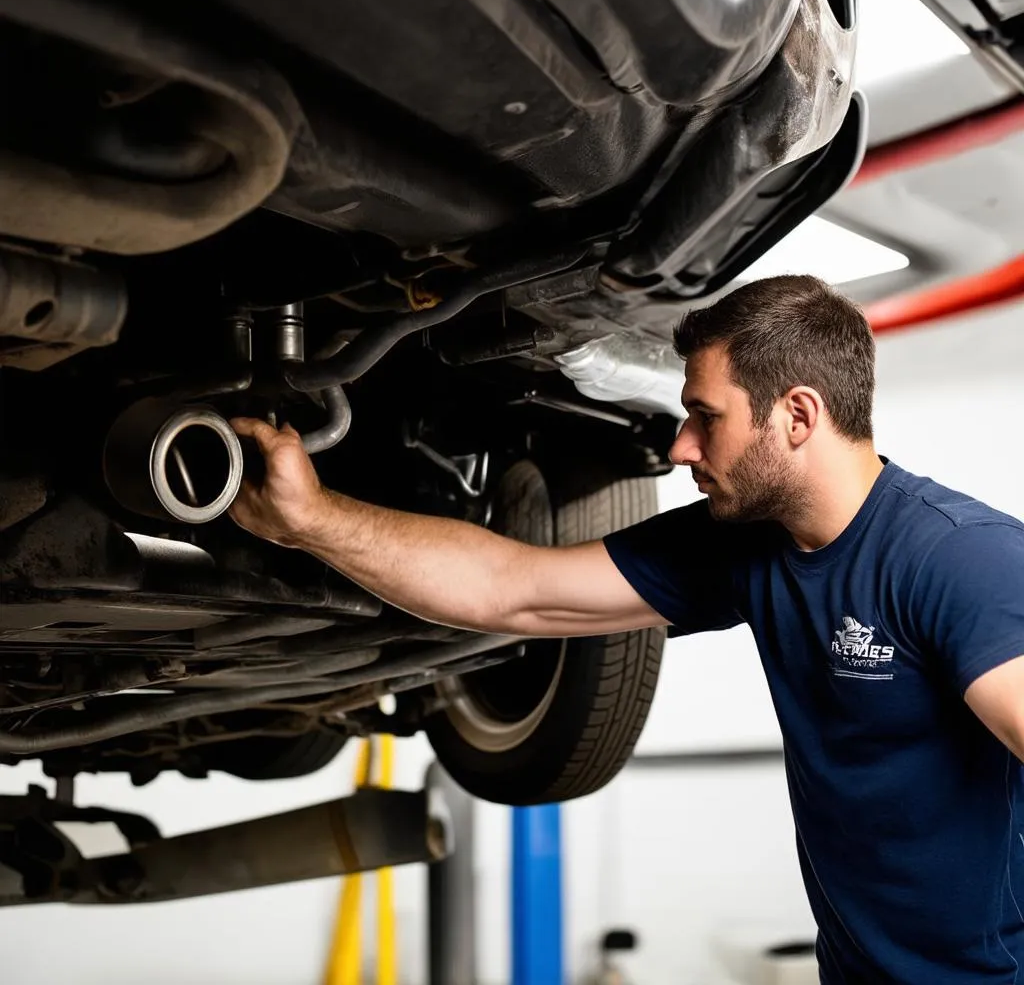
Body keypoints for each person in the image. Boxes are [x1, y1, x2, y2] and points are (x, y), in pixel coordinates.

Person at [230, 274, 1024, 983]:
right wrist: (310, 517)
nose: (681, 447)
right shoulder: (749, 546)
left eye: (704, 418)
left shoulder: (959, 561)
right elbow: (513, 589)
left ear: (798, 415)